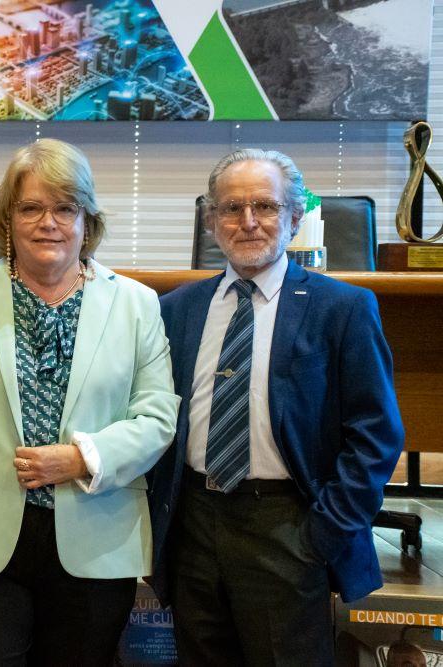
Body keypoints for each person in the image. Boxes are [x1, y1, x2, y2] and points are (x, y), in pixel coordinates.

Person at [148, 148, 405, 665]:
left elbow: (376, 433)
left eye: (264, 206)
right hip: (194, 526)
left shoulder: (343, 309)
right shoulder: (176, 309)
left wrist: (323, 533)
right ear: (211, 221)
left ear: (292, 217)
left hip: (288, 528)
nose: (248, 222)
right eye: (231, 208)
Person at [0, 138, 180, 665]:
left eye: (65, 207)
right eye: (31, 207)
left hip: (97, 535)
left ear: (87, 221)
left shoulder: (136, 304)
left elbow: (158, 416)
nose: (49, 222)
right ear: (7, 220)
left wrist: (82, 458)